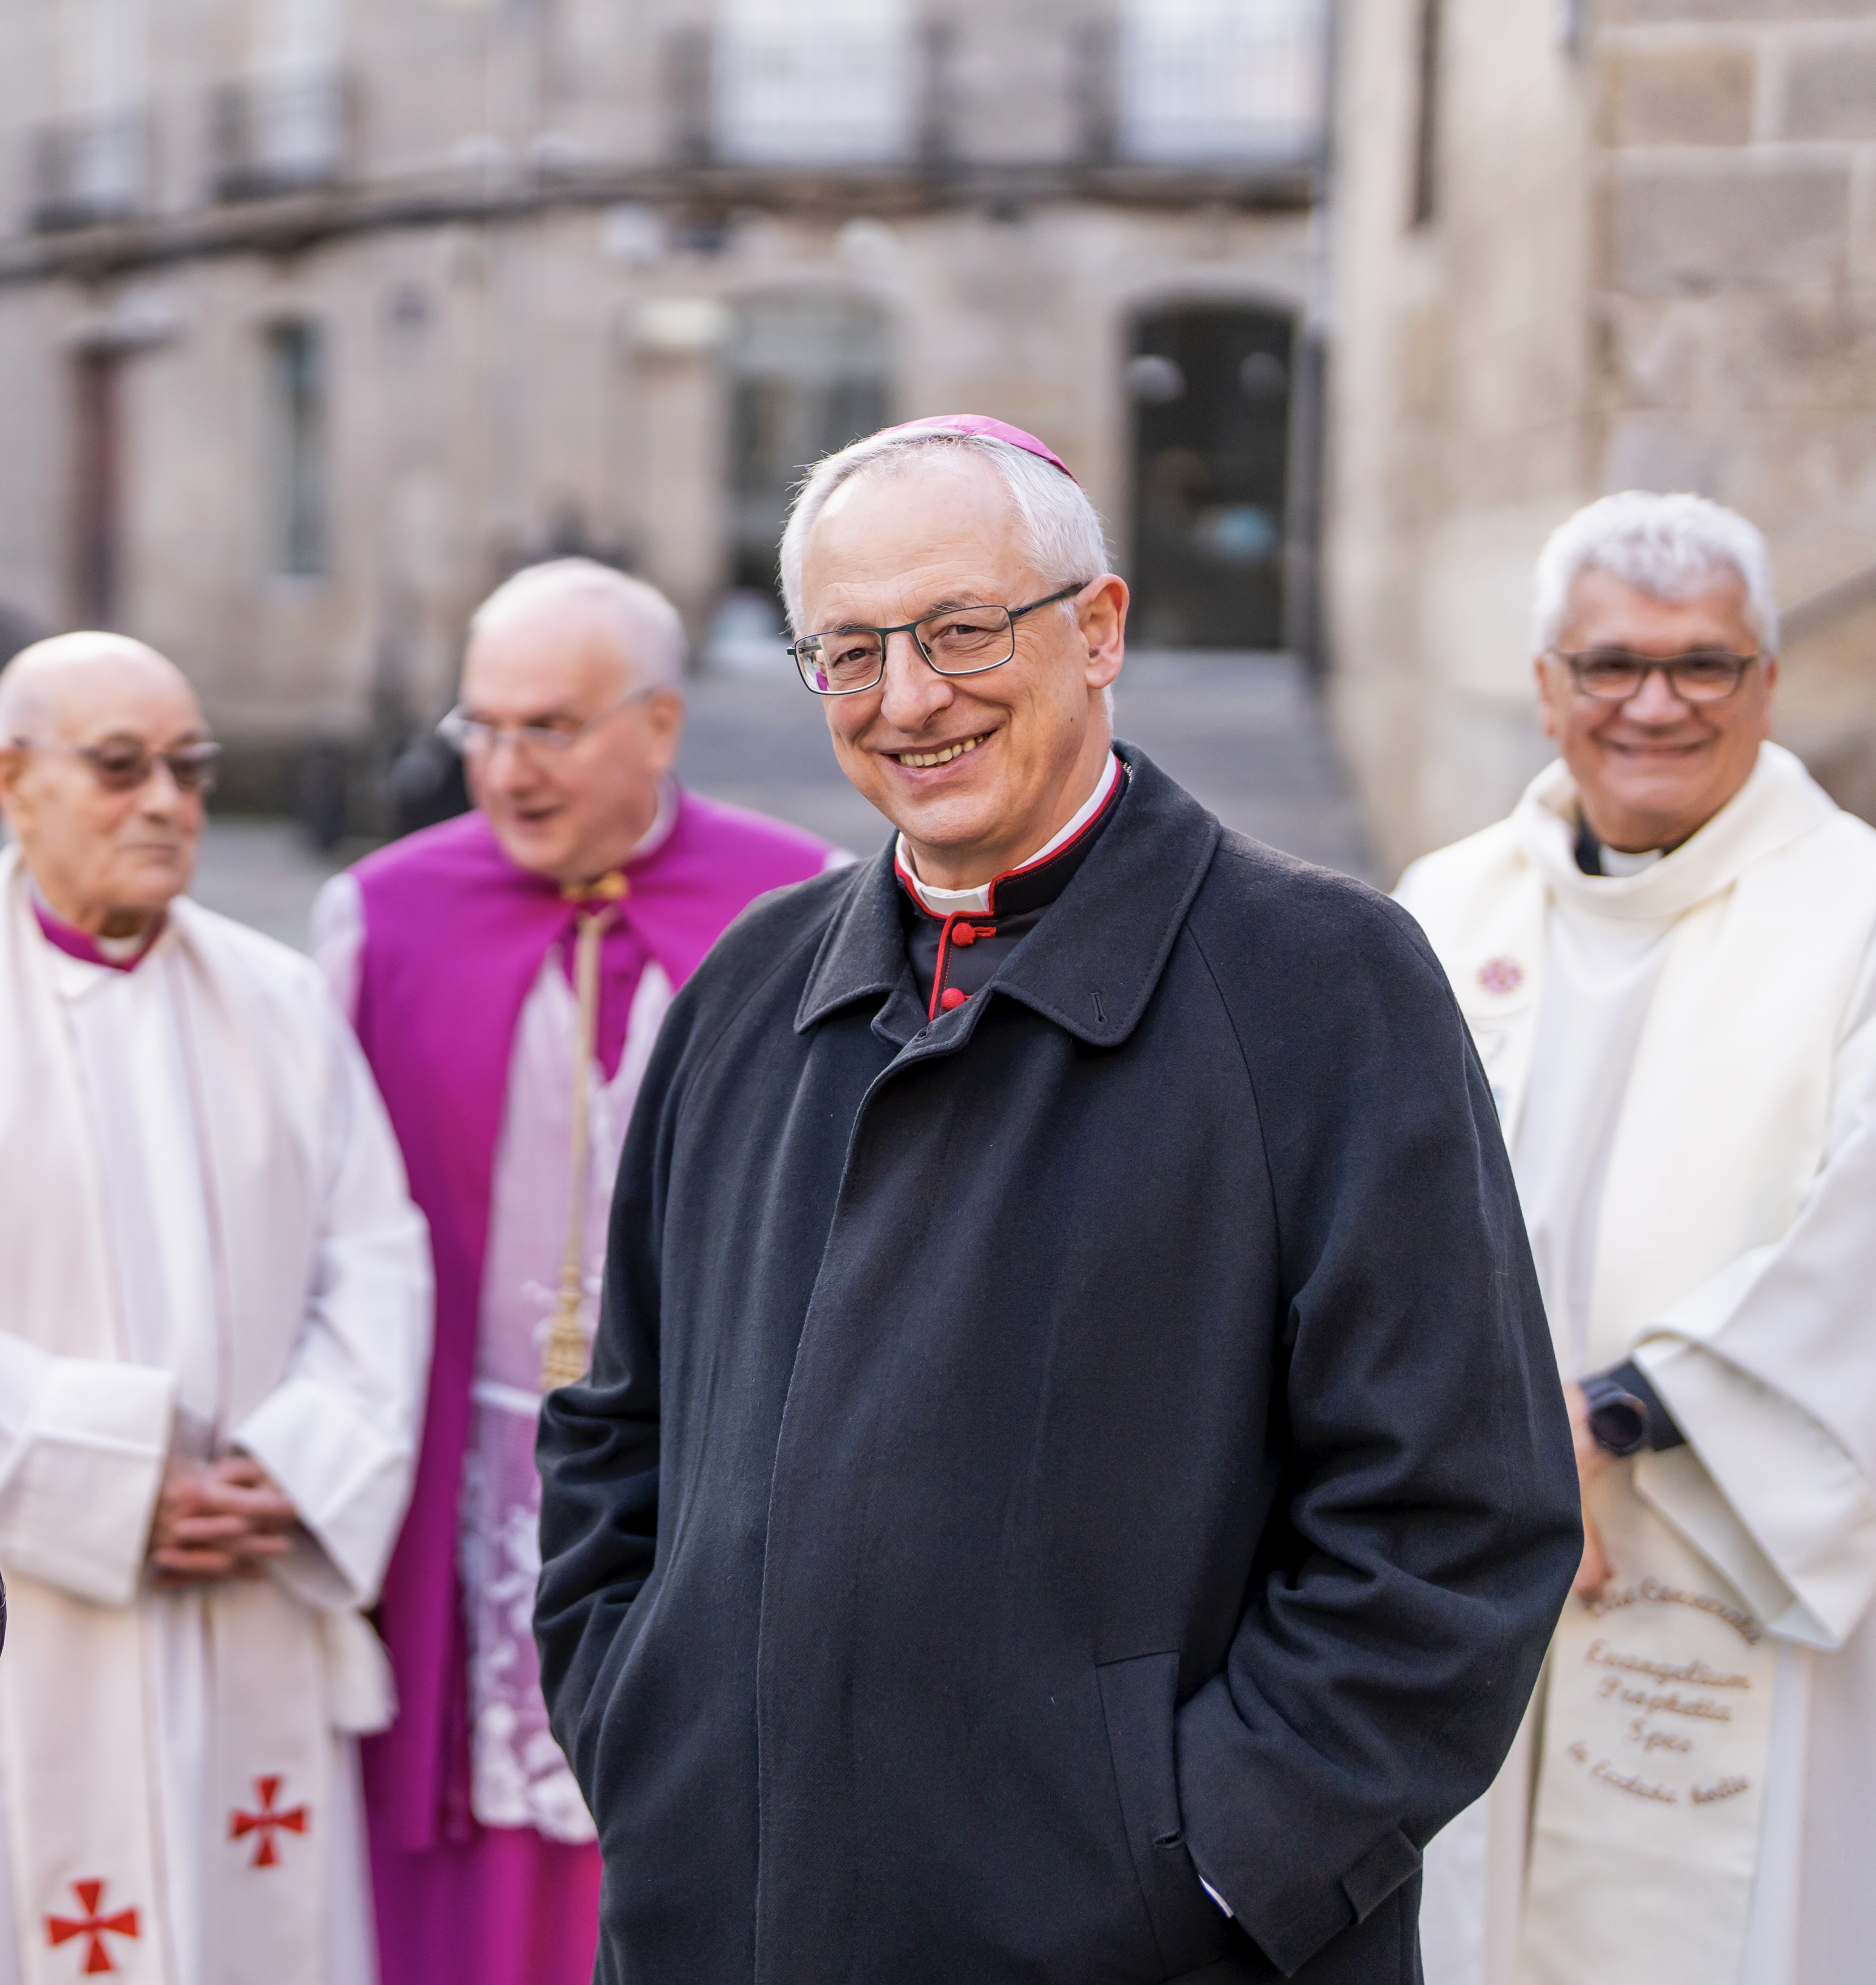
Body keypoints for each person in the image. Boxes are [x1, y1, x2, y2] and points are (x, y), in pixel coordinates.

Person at [535, 416, 1581, 1985]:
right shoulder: (750, 985)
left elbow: (1456, 1523)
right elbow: (618, 1435)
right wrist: (648, 1743)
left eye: (962, 631)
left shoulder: (1326, 983)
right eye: (851, 651)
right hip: (724, 1924)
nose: (910, 699)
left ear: (1098, 630)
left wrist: (1200, 1869)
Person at [315, 559, 839, 1985]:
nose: (504, 770)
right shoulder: (377, 917)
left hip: (699, 1472)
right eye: (481, 728)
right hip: (452, 1471)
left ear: (661, 724)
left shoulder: (805, 904)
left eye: (548, 728)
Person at [1399, 492, 1876, 1985]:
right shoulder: (1442, 908)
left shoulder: (1860, 913)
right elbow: (1360, 1230)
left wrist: (1610, 1418)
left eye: (1702, 664)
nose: (1654, 704)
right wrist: (1491, 1447)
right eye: (1610, 664)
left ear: (1767, 684)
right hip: (1466, 1538)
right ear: (1547, 688)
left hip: (1733, 1539)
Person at [0, 634, 431, 1985]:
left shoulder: (281, 999)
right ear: (13, 781)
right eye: (119, 767)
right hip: (37, 1603)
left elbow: (379, 1260)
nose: (168, 803)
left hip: (252, 1576)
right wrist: (105, 1477)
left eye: (190, 769)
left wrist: (296, 1468)